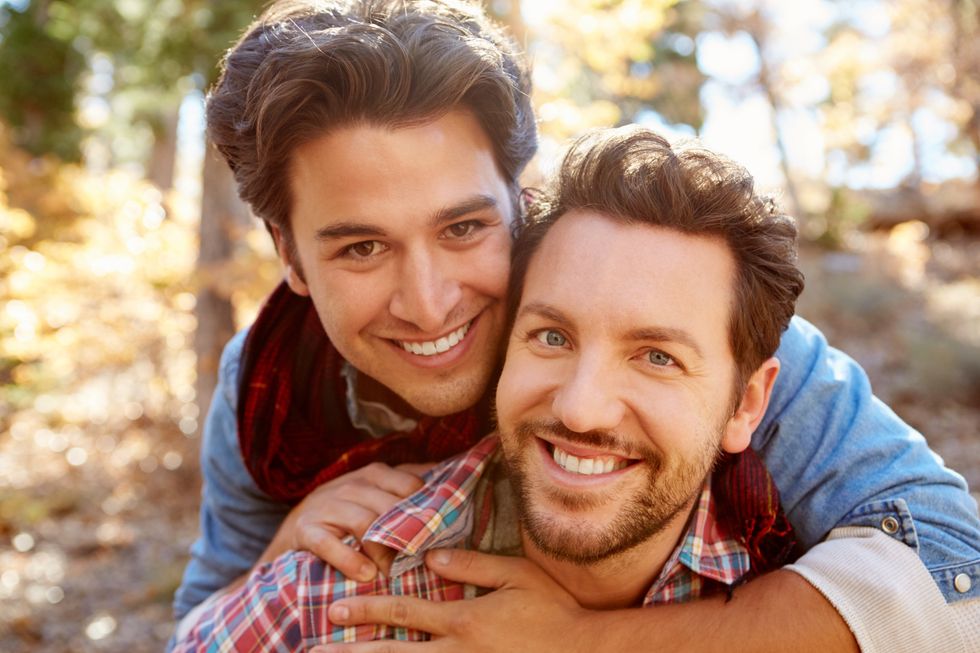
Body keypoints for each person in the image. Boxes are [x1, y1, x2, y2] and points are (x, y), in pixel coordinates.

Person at [173, 0, 980, 649]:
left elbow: (952, 563)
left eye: (463, 228)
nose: (427, 301)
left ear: (517, 198)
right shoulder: (269, 386)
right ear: (288, 253)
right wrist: (280, 564)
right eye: (360, 247)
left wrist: (586, 640)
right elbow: (204, 618)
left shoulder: (676, 317)